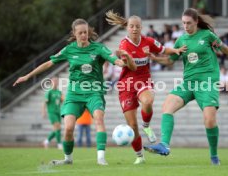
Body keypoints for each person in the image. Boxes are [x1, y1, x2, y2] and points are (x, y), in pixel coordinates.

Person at [13, 18, 127, 165]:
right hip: (74, 94)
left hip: (94, 92)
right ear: (74, 33)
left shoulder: (98, 48)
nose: (84, 35)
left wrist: (124, 61)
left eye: (85, 32)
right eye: (80, 33)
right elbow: (49, 63)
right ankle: (68, 159)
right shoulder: (69, 49)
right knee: (68, 128)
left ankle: (101, 158)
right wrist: (28, 76)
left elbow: (114, 60)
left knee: (99, 119)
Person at [143, 8, 228, 165]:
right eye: (183, 23)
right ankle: (164, 145)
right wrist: (154, 58)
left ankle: (214, 156)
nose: (185, 26)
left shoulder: (207, 35)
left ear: (196, 21)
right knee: (167, 107)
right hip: (188, 83)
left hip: (207, 82)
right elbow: (170, 61)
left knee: (209, 121)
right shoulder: (181, 40)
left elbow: (224, 48)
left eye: (189, 23)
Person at [105, 10, 185, 164]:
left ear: (141, 28)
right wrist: (127, 57)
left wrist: (175, 50)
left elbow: (162, 49)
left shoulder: (148, 41)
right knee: (132, 126)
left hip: (143, 80)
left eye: (137, 26)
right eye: (132, 26)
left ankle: (146, 125)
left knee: (148, 101)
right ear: (127, 28)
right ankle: (140, 156)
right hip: (126, 85)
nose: (134, 29)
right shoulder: (124, 45)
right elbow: (132, 68)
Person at [42, 77, 63, 149]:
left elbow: (62, 100)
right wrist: (44, 111)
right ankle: (59, 144)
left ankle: (46, 141)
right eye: (54, 81)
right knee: (58, 127)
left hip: (58, 112)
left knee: (57, 129)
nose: (56, 82)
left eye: (57, 81)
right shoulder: (49, 92)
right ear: (51, 83)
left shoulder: (59, 92)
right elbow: (45, 102)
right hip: (51, 112)